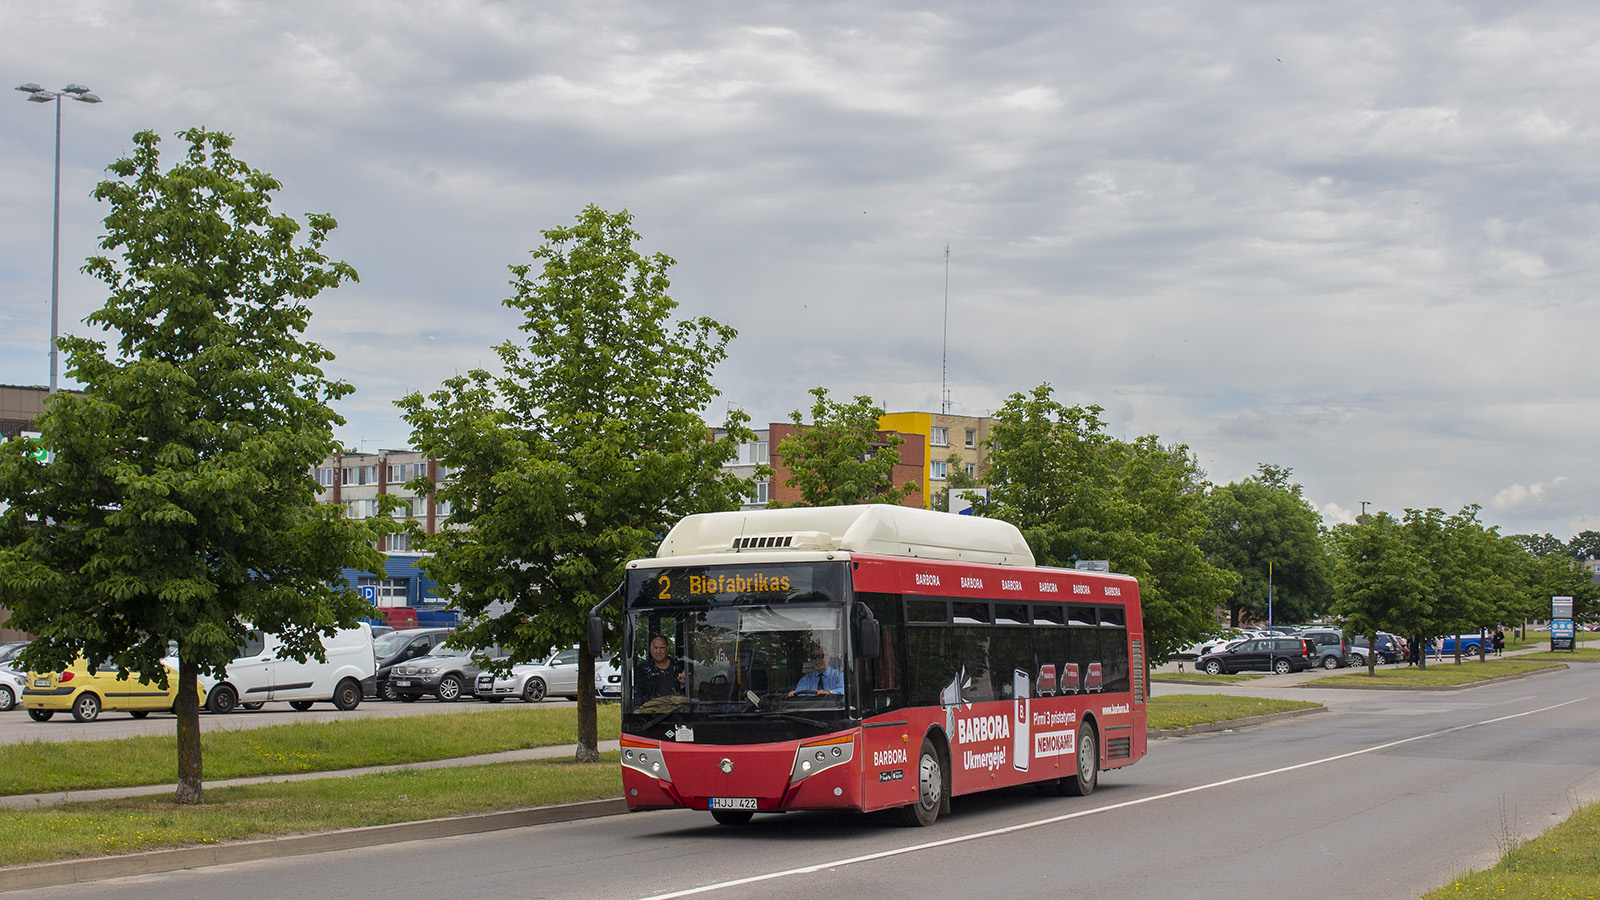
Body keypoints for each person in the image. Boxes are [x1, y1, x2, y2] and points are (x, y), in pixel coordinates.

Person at [633, 635, 685, 704]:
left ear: (667, 649)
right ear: (650, 649)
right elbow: (639, 693)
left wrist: (684, 683)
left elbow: (689, 693)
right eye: (655, 648)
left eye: (662, 648)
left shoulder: (678, 667)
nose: (658, 651)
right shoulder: (643, 668)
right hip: (651, 710)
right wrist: (638, 710)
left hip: (677, 709)